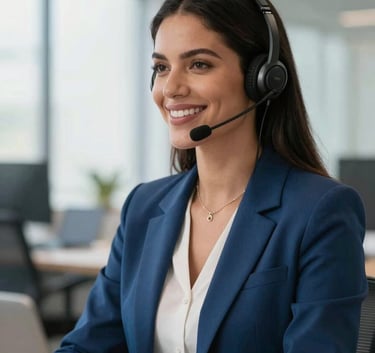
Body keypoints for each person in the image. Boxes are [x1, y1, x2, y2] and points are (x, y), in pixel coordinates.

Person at [54, 0, 367, 352]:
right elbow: (87, 345)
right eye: (161, 67)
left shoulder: (319, 212)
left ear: (262, 78)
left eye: (198, 64)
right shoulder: (143, 207)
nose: (170, 88)